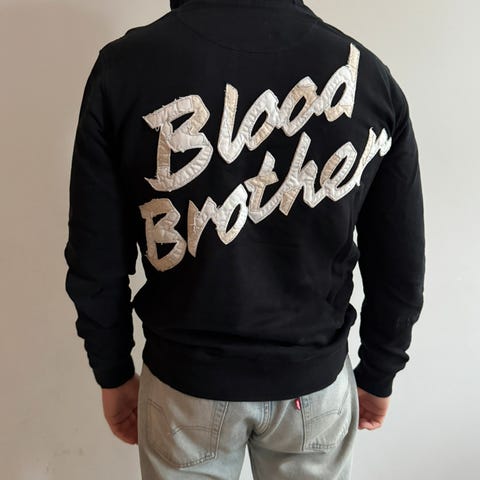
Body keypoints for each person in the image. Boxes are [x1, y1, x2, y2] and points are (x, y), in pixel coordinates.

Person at [64, 0, 426, 478]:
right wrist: (380, 370)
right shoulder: (367, 79)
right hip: (312, 385)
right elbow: (399, 258)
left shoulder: (124, 68)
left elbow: (96, 253)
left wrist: (111, 372)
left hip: (184, 386)